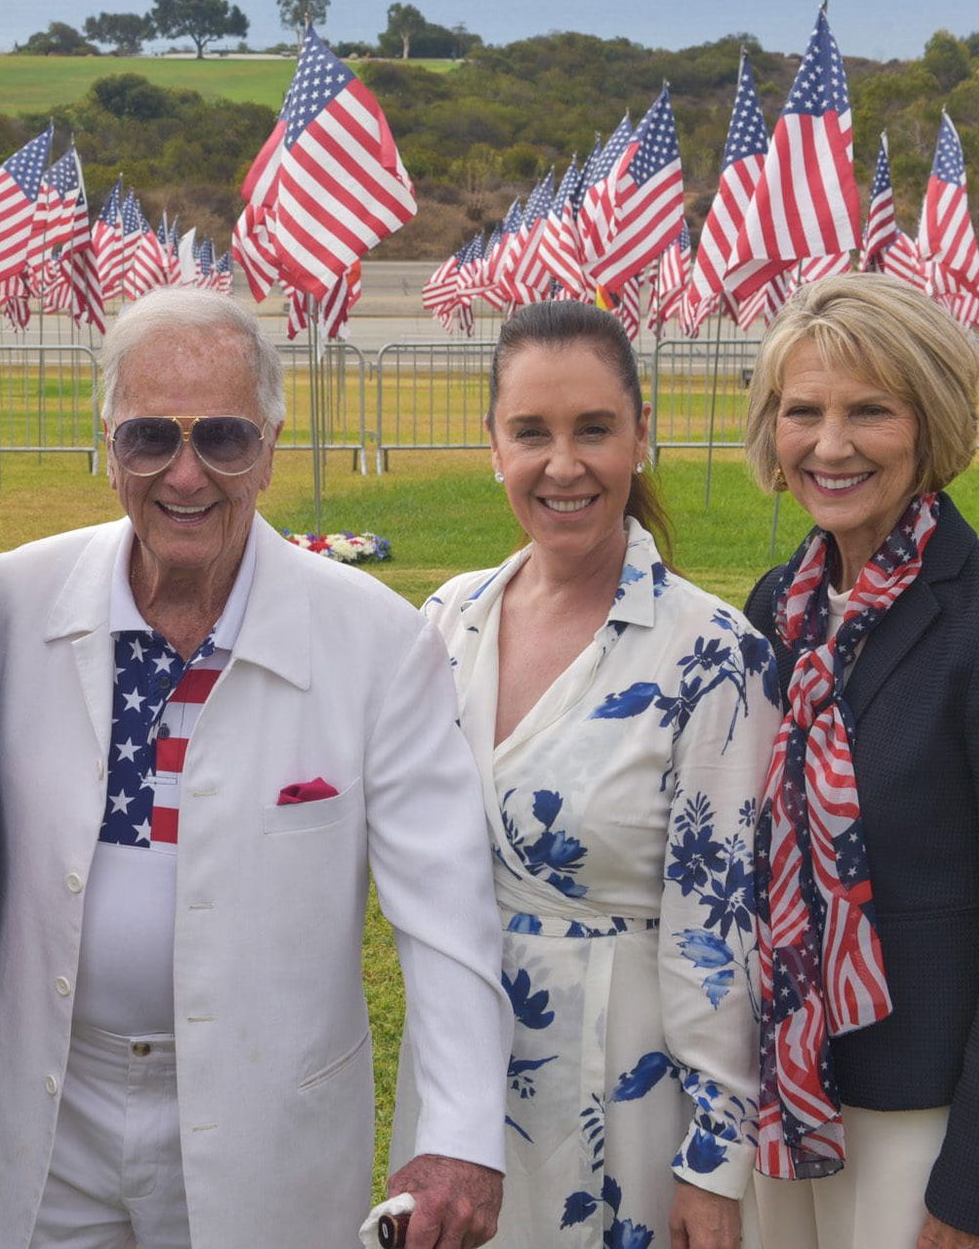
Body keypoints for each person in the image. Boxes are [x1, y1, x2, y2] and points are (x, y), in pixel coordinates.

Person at [0, 288, 511, 1249]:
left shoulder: (372, 638)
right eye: (150, 437)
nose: (186, 473)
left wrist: (458, 1133)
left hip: (265, 1117)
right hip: (47, 1102)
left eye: (225, 438)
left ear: (273, 447)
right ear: (108, 444)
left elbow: (445, 904)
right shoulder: (3, 605)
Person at [398, 300, 778, 1249]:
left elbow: (719, 932)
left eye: (594, 430)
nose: (562, 464)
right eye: (531, 431)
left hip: (633, 1096)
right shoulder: (445, 622)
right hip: (460, 1084)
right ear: (492, 443)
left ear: (641, 436)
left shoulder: (714, 654)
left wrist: (714, 1163)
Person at [740, 275, 979, 1249]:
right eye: (800, 412)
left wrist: (974, 1187)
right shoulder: (777, 605)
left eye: (868, 412)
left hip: (921, 1114)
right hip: (787, 1089)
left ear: (929, 423)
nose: (828, 444)